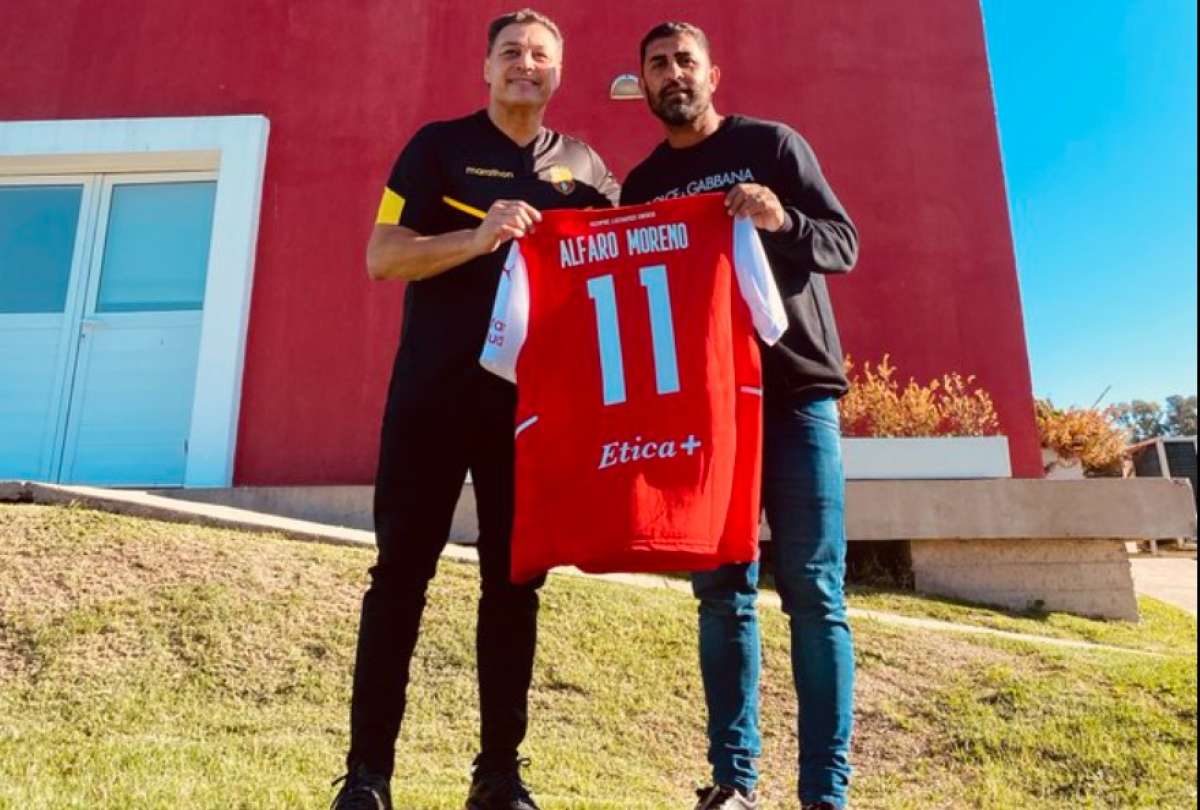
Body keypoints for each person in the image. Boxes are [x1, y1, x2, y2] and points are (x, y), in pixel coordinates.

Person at [331, 9, 618, 810]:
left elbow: (631, 255)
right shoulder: (437, 147)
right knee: (399, 578)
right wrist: (478, 237)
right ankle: (367, 777)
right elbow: (383, 256)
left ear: (558, 72)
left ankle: (498, 777)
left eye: (540, 55)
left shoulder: (586, 167)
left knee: (515, 585)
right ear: (486, 68)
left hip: (528, 412)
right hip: (431, 397)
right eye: (510, 53)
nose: (525, 64)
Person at [619, 22, 860, 810]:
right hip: (705, 411)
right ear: (644, 85)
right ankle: (733, 785)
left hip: (795, 397)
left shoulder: (772, 146)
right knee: (722, 593)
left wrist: (780, 220)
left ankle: (825, 794)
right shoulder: (644, 184)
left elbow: (843, 243)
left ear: (712, 74)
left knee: (814, 592)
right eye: (658, 65)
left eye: (685, 61)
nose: (674, 74)